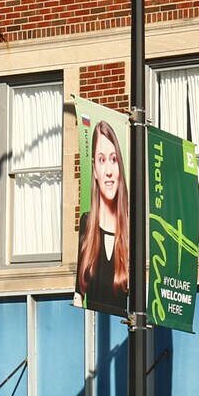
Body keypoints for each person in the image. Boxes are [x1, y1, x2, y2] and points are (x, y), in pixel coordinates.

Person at [76, 117, 129, 315]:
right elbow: (78, 294)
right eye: (102, 160)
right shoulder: (86, 223)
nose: (108, 171)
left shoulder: (133, 228)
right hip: (93, 331)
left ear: (120, 167)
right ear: (95, 170)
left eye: (113, 160)